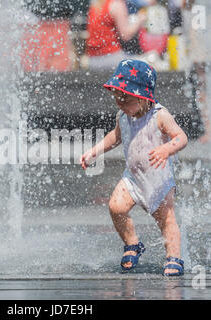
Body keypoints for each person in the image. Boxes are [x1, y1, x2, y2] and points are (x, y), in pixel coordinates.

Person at [80, 59, 188, 276]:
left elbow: (181, 137)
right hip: (133, 177)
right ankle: (132, 243)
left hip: (159, 181)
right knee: (115, 207)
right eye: (117, 98)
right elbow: (116, 137)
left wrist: (167, 149)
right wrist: (95, 150)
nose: (119, 103)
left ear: (142, 97)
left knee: (167, 221)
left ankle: (174, 258)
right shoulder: (123, 116)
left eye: (125, 98)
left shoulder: (160, 115)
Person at [85, 0, 147, 70]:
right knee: (147, 64)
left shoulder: (96, 4)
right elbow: (125, 35)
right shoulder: (117, 4)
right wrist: (140, 19)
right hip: (112, 58)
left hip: (93, 60)